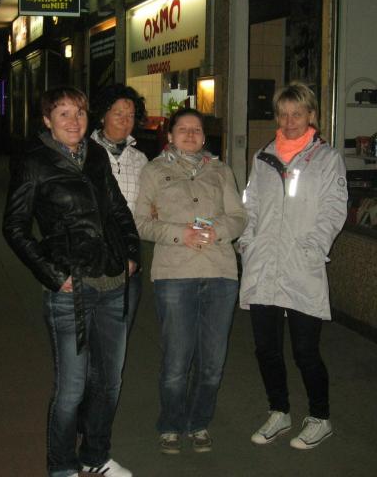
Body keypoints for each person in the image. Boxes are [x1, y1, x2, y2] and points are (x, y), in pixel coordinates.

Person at [2, 86, 139, 477]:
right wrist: (53, 274)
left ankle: (95, 456)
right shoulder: (34, 163)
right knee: (72, 388)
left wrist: (131, 255)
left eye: (79, 112)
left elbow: (118, 209)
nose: (73, 121)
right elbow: (14, 227)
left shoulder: (95, 155)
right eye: (63, 113)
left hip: (113, 284)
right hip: (70, 290)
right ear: (48, 120)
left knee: (109, 382)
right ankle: (61, 467)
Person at [238, 82, 347, 450]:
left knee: (305, 351)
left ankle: (320, 417)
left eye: (297, 114)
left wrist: (314, 248)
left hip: (302, 265)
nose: (289, 121)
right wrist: (247, 242)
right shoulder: (263, 157)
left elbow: (334, 209)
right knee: (266, 349)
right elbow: (250, 205)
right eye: (283, 114)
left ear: (311, 115)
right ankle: (279, 410)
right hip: (264, 265)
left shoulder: (326, 159)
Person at [134, 107, 247, 455]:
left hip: (220, 274)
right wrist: (178, 233)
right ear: (170, 135)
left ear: (204, 136)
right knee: (176, 361)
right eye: (182, 129)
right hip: (174, 275)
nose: (190, 134)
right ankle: (170, 425)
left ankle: (199, 422)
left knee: (212, 362)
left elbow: (239, 217)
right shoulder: (154, 171)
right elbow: (140, 222)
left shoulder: (221, 171)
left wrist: (218, 231)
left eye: (196, 129)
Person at [90, 84, 149, 330]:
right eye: (118, 114)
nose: (125, 121)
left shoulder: (140, 160)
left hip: (128, 260)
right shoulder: (84, 153)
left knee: (119, 334)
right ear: (102, 116)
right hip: (90, 259)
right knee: (87, 337)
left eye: (131, 115)